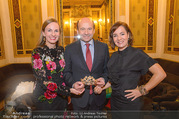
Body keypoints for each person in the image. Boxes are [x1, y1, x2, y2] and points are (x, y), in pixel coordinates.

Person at [94, 21, 166, 119]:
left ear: (128, 35)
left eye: (122, 34)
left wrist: (142, 90)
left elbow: (160, 74)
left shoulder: (137, 54)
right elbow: (114, 80)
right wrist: (102, 88)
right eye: (115, 35)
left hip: (131, 104)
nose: (119, 38)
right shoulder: (113, 56)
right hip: (115, 103)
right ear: (112, 38)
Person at [31, 18, 84, 110]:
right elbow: (43, 81)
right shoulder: (37, 53)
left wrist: (73, 85)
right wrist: (69, 91)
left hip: (61, 97)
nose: (53, 34)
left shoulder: (62, 50)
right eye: (49, 30)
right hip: (45, 98)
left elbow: (66, 73)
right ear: (43, 33)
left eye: (56, 30)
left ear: (59, 33)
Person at [64, 17, 109, 110]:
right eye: (82, 29)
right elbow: (66, 72)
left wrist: (104, 80)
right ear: (77, 30)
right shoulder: (69, 49)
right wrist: (73, 84)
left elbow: (107, 70)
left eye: (89, 29)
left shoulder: (103, 47)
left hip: (98, 97)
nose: (86, 32)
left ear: (94, 30)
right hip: (79, 98)